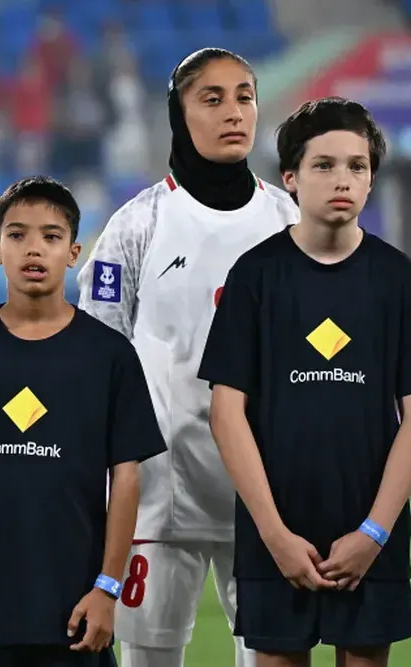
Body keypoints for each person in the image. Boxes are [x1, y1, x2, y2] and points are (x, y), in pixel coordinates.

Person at [77, 48, 300, 667]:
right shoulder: (136, 224)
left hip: (264, 497)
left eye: (245, 97)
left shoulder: (289, 222)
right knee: (148, 656)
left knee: (272, 656)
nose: (234, 112)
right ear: (178, 113)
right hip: (156, 494)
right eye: (213, 98)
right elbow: (98, 356)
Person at [0, 176, 165, 666]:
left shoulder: (109, 355)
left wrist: (107, 589)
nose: (34, 248)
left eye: (50, 237)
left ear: (73, 252)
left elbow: (127, 477)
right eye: (17, 234)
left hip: (78, 612)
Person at [199, 97, 411, 667]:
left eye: (357, 166)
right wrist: (273, 535)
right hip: (277, 535)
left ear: (371, 181)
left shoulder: (397, 280)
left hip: (373, 536)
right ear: (290, 178)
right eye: (324, 165)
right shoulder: (255, 276)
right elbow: (226, 414)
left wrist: (374, 532)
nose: (342, 179)